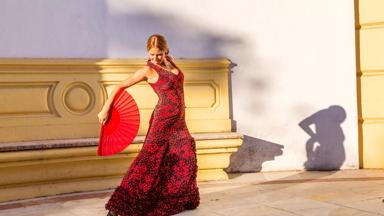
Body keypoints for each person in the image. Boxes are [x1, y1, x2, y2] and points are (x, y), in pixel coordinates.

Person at [98, 34, 200, 216]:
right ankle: (118, 208)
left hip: (178, 122)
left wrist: (167, 61)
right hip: (162, 121)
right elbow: (121, 85)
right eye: (151, 55)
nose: (154, 58)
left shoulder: (171, 62)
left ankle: (177, 197)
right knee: (148, 160)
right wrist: (106, 108)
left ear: (165, 50)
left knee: (186, 155)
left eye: (158, 54)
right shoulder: (148, 70)